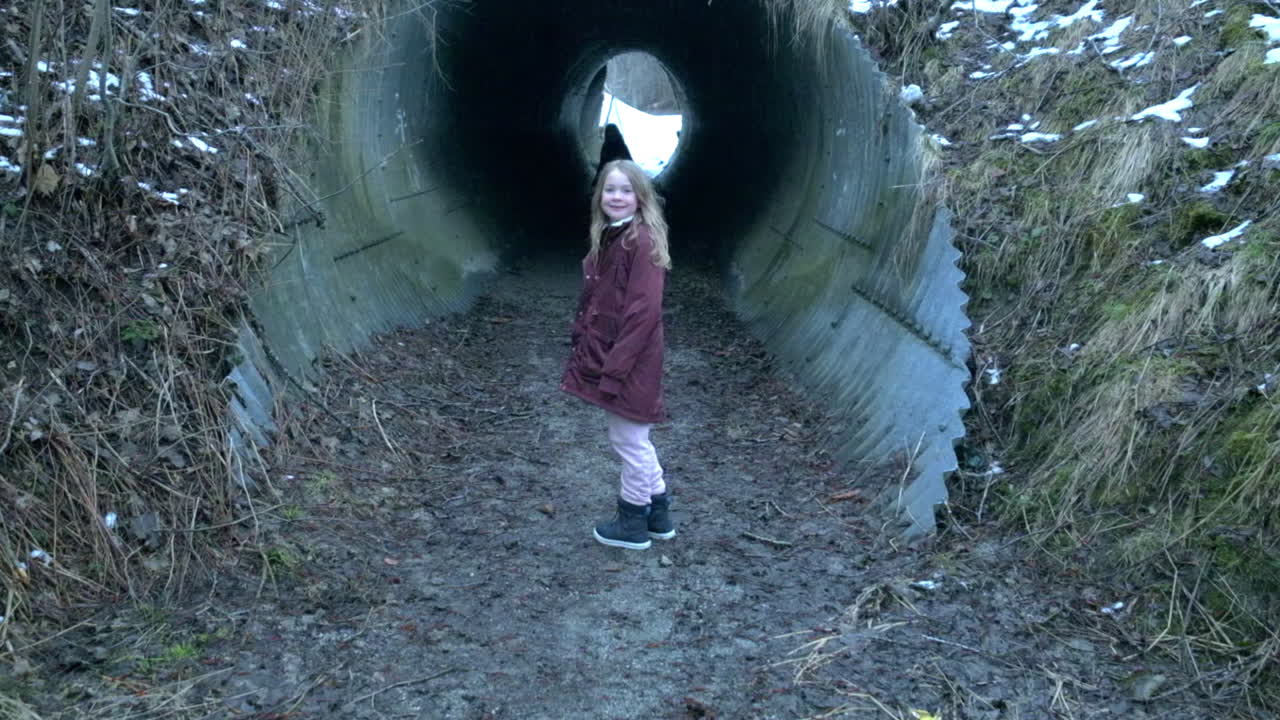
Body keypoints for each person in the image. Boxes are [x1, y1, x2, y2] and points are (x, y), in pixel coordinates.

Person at [561, 159, 673, 551]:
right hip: (622, 355)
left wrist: (615, 370)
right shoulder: (614, 236)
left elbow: (643, 313)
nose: (617, 197)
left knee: (629, 440)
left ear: (641, 197)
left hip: (631, 359)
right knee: (634, 436)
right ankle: (658, 513)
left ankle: (633, 522)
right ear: (600, 195)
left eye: (626, 190)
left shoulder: (638, 242)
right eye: (611, 190)